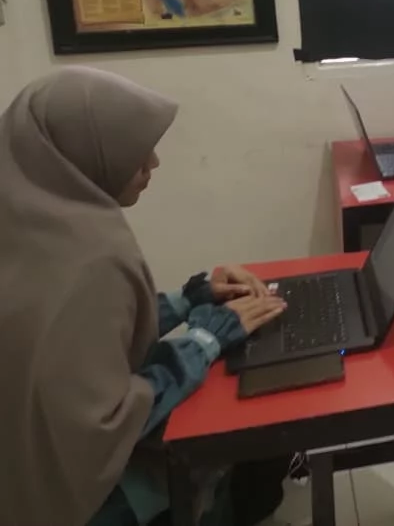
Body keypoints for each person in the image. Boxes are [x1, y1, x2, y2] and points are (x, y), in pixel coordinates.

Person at [0, 67, 288, 526]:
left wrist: (190, 299)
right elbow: (106, 422)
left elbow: (86, 340)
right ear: (82, 155)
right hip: (73, 497)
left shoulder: (29, 224)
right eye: (135, 152)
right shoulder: (90, 257)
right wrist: (206, 339)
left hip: (21, 466)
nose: (152, 163)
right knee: (256, 430)